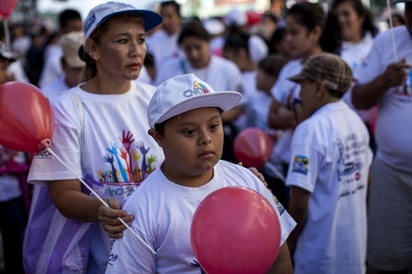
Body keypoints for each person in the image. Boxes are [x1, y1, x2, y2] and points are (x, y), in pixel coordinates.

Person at [105, 73, 297, 274]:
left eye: (214, 126)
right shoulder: (142, 208)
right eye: (189, 132)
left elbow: (280, 261)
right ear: (158, 137)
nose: (206, 139)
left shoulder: (248, 181)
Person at [23, 2, 165, 273]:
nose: (136, 51)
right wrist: (99, 210)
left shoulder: (156, 99)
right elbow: (63, 194)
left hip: (161, 255)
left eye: (141, 40)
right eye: (123, 41)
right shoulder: (67, 108)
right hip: (101, 261)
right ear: (93, 49)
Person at [285, 53, 373, 274]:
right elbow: (367, 178)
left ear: (319, 87)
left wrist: (289, 243)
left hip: (319, 256)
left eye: (302, 86)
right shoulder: (356, 122)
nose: (299, 94)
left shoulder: (310, 128)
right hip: (354, 252)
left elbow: (299, 203)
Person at [351, 0, 412, 272]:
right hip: (390, 173)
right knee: (386, 261)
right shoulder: (388, 41)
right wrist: (384, 80)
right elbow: (358, 99)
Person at [155, 20, 244, 163]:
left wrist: (212, 122)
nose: (194, 54)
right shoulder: (169, 68)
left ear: (208, 43)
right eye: (188, 49)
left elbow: (238, 107)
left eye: (198, 47)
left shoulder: (228, 69)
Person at [267, 2, 326, 205]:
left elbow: (325, 118)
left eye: (295, 32)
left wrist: (288, 112)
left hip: (320, 163)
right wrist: (301, 114)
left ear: (315, 32)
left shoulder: (331, 68)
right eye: (286, 32)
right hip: (288, 159)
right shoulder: (289, 68)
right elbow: (272, 118)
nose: (288, 39)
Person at [321, 0, 379, 151]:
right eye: (337, 15)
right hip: (343, 129)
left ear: (360, 17)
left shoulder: (376, 45)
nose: (341, 19)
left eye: (346, 14)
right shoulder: (331, 52)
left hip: (375, 128)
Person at [0, 42, 29, 274]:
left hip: (11, 192)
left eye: (5, 66)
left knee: (17, 248)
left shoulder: (13, 99)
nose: (4, 72)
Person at [39, 8, 82, 89]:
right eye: (73, 28)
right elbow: (46, 87)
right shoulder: (54, 57)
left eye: (80, 28)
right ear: (62, 30)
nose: (78, 33)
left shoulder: (89, 52)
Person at [41, 31, 85, 100]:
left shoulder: (100, 93)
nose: (82, 72)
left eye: (86, 67)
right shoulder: (48, 95)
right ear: (63, 64)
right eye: (77, 68)